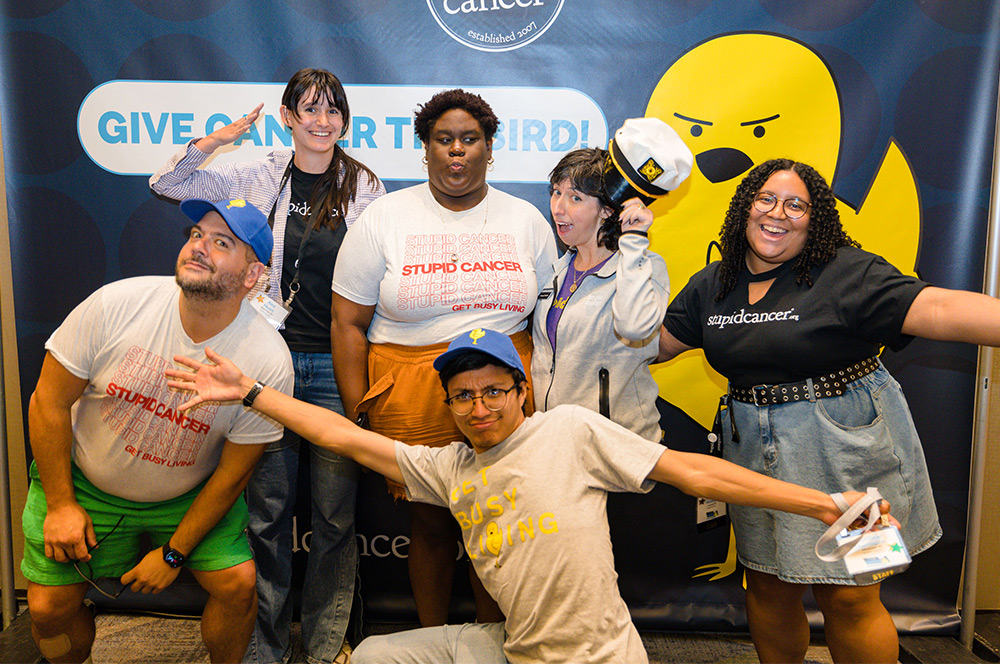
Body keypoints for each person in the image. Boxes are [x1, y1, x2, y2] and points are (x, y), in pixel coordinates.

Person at [167, 328, 892, 664]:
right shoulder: (449, 468)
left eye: (493, 391)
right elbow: (346, 437)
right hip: (509, 649)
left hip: (598, 659)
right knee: (371, 659)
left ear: (521, 392)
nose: (479, 407)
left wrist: (821, 503)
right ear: (449, 406)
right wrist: (255, 392)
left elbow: (697, 474)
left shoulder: (569, 431)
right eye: (462, 397)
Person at [656, 157, 994, 664]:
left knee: (853, 593)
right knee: (767, 585)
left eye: (797, 205)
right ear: (744, 208)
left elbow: (939, 309)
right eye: (765, 199)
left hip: (851, 449)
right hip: (752, 451)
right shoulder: (713, 283)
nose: (778, 213)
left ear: (816, 220)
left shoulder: (846, 272)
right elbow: (653, 346)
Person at [150, 68, 384, 664]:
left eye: (333, 110)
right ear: (287, 117)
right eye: (308, 109)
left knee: (335, 515)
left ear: (344, 121)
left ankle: (329, 643)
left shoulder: (364, 185)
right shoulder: (258, 168)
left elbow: (380, 272)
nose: (322, 121)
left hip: (335, 365)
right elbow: (164, 181)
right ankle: (267, 644)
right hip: (266, 361)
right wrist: (218, 139)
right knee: (268, 515)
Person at [22, 198, 293, 664]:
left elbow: (232, 474)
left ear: (252, 276)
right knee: (47, 611)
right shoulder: (116, 304)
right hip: (87, 483)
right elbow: (48, 401)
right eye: (196, 235)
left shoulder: (268, 359)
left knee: (238, 585)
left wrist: (174, 554)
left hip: (188, 494)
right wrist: (63, 504)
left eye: (222, 242)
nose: (199, 247)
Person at [330, 88, 557, 625]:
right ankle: (432, 640)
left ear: (489, 148)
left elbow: (550, 322)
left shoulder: (525, 220)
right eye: (444, 139)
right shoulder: (384, 217)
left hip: (505, 390)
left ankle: (491, 643)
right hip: (413, 392)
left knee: (495, 520)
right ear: (425, 149)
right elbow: (347, 323)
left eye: (470, 139)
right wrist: (356, 413)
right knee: (430, 522)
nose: (457, 150)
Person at [531, 147, 669, 441]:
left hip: (617, 450)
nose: (558, 207)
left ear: (607, 210)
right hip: (555, 444)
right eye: (556, 192)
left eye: (576, 198)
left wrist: (633, 245)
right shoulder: (558, 270)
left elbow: (634, 329)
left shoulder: (642, 267)